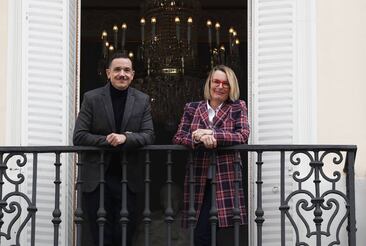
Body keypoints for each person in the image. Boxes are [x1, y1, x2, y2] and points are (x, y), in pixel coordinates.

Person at [73, 51, 155, 246]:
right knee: (101, 236)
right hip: (97, 179)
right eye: (117, 69)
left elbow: (149, 135)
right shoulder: (91, 98)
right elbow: (79, 136)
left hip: (129, 179)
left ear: (133, 74)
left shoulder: (142, 100)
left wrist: (125, 138)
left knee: (125, 236)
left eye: (127, 70)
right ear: (108, 73)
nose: (122, 74)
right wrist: (107, 140)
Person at [172, 65, 250, 245]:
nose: (220, 86)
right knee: (201, 234)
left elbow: (242, 135)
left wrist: (211, 134)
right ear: (209, 83)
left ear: (231, 87)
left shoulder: (237, 107)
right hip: (198, 178)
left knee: (225, 235)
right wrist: (196, 137)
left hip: (226, 177)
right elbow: (178, 137)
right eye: (216, 81)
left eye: (225, 83)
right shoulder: (192, 108)